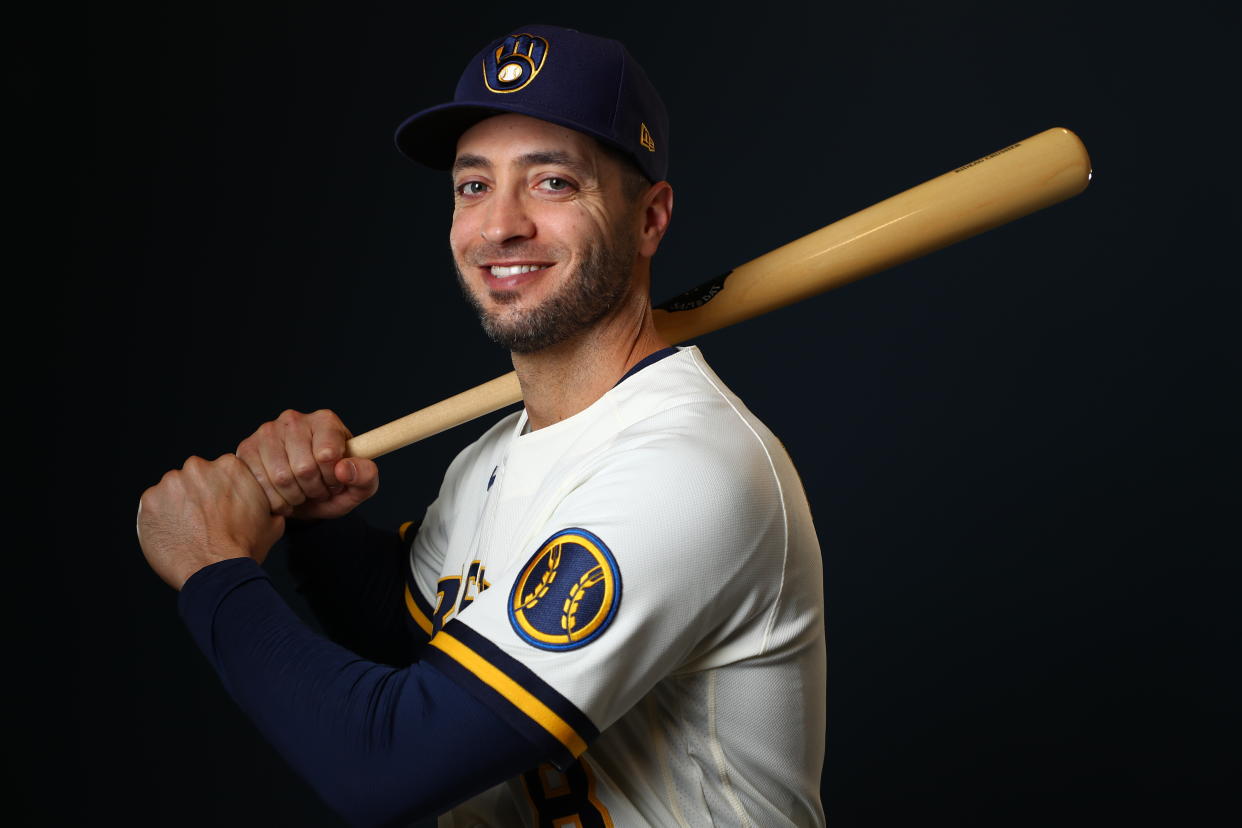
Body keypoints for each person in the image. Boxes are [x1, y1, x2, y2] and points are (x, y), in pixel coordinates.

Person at [138, 23, 827, 827]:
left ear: (650, 218)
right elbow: (408, 641)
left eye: (553, 183)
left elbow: (392, 763)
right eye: (474, 186)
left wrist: (212, 570)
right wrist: (321, 525)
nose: (500, 227)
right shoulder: (493, 458)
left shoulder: (687, 470)